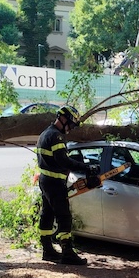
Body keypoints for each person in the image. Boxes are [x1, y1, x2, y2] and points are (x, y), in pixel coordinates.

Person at [36, 105, 99, 265]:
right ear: (63, 119)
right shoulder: (56, 136)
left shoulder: (45, 133)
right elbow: (62, 161)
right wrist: (86, 167)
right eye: (70, 124)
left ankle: (47, 250)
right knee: (64, 216)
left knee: (47, 214)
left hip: (46, 181)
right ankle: (67, 252)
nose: (71, 128)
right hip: (55, 183)